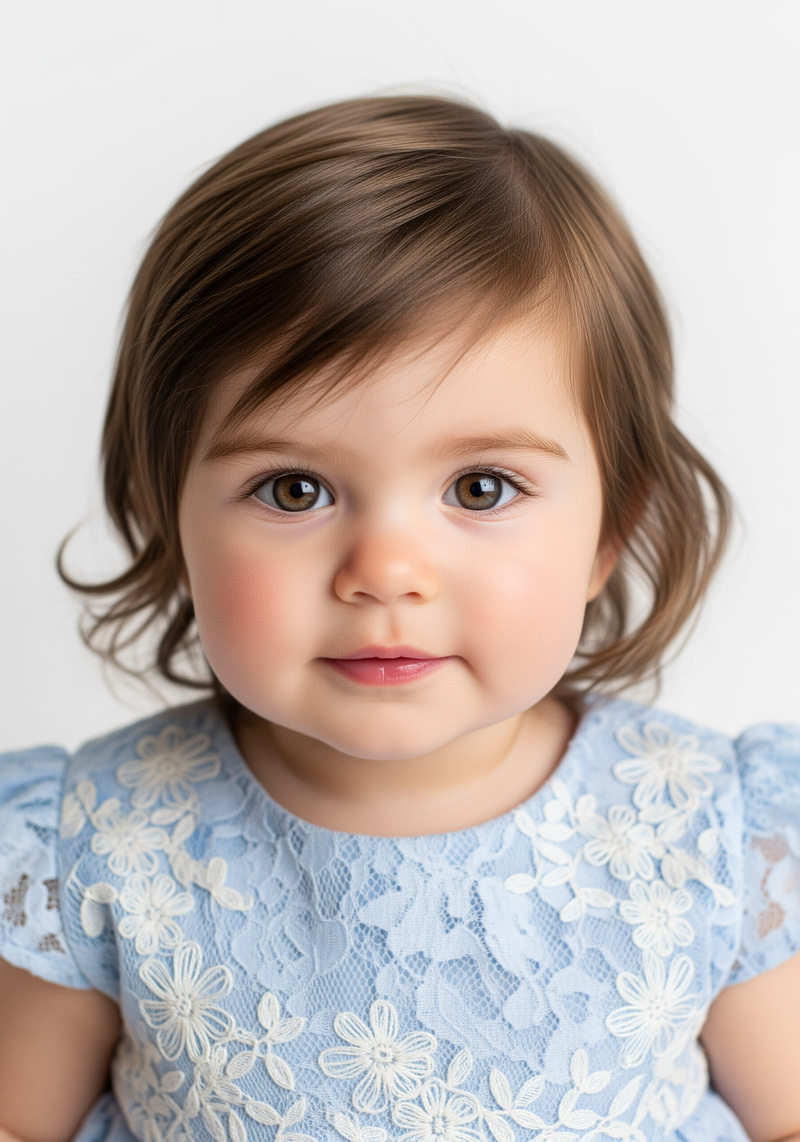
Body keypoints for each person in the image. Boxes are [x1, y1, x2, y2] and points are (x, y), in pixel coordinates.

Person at [0, 94, 798, 1142]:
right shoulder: (94, 841)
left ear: (609, 527)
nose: (384, 572)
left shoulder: (711, 835)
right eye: (293, 490)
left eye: (478, 489)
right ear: (166, 511)